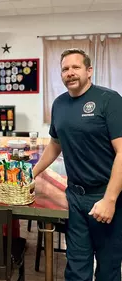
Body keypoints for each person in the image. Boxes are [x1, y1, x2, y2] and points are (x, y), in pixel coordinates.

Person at [33, 48, 122, 281]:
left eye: (75, 67)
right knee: (76, 268)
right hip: (74, 196)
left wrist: (110, 200)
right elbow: (55, 144)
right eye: (65, 69)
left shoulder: (109, 100)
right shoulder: (59, 104)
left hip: (105, 194)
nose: (70, 73)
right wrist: (32, 172)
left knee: (108, 268)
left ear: (89, 71)